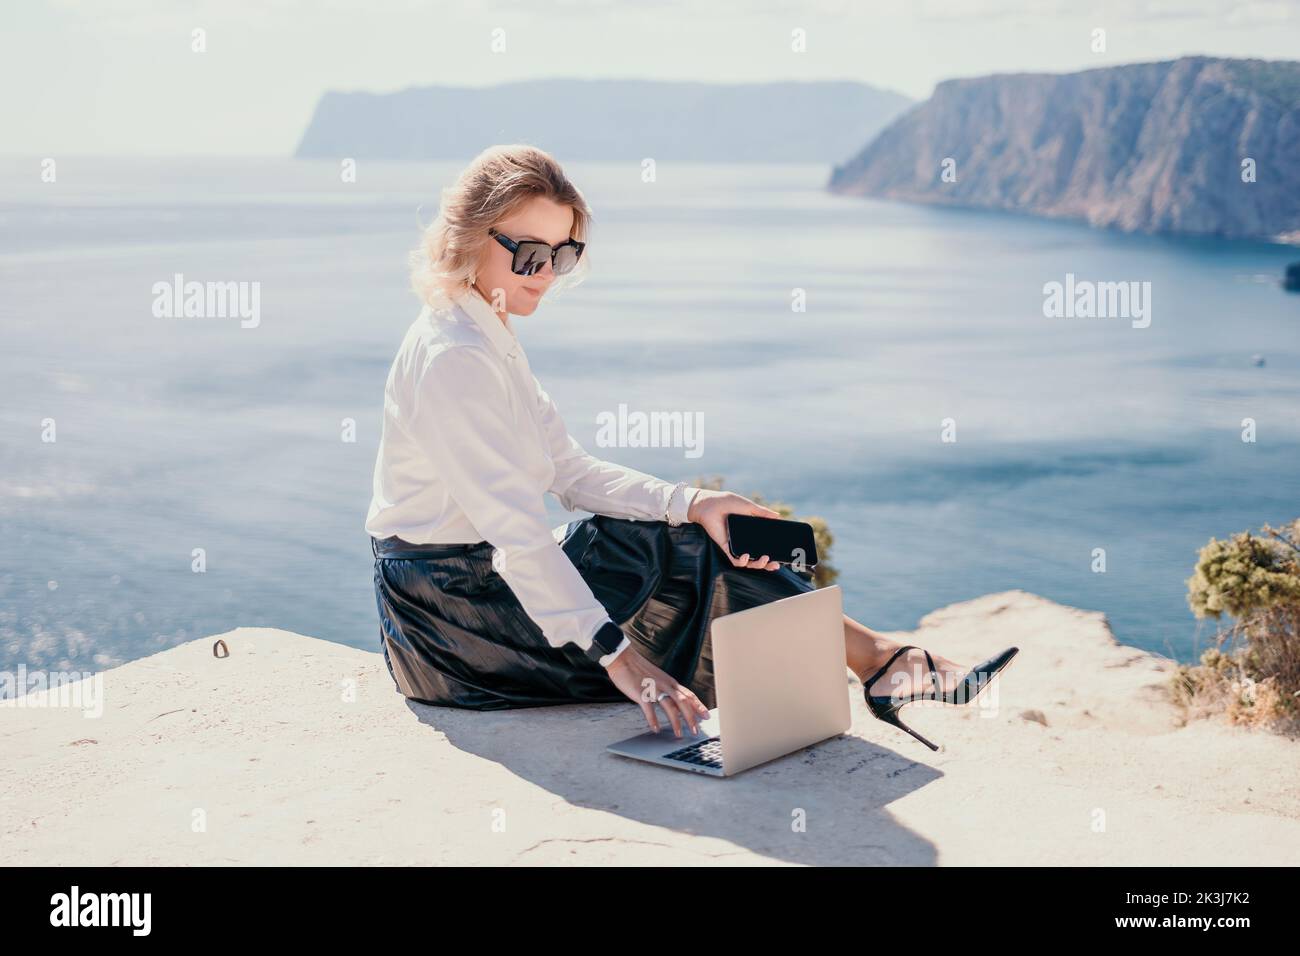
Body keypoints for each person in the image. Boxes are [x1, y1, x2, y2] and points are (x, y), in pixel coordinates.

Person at [364, 144, 1016, 750]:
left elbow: (568, 471)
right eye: (530, 254)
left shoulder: (489, 335)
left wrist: (695, 500)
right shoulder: (454, 357)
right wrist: (624, 661)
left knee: (698, 531)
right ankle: (879, 664)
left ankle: (878, 660)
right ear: (471, 238)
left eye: (563, 257)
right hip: (450, 622)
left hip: (476, 589)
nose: (547, 275)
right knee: (667, 551)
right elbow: (517, 535)